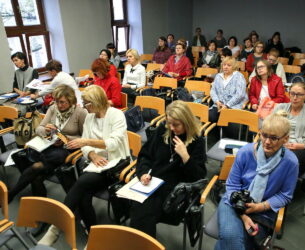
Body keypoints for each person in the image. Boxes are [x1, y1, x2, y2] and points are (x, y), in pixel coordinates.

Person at [38, 85, 130, 246]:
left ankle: (55, 228)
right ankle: (94, 235)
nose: (85, 106)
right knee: (83, 197)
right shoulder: (89, 117)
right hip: (96, 164)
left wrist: (86, 142)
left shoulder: (116, 115)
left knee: (80, 184)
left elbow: (113, 144)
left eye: (87, 103)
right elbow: (85, 147)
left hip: (116, 164)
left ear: (96, 101)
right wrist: (92, 154)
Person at [215, 113, 298, 250]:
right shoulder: (245, 152)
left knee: (234, 243)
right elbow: (232, 185)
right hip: (233, 202)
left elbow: (285, 195)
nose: (267, 142)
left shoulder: (291, 163)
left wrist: (260, 207)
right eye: (264, 135)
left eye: (274, 138)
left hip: (263, 210)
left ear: (285, 139)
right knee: (231, 237)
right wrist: (243, 215)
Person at [129, 100, 207, 238]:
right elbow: (145, 156)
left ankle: (144, 244)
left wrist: (185, 156)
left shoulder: (197, 141)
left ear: (186, 122)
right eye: (168, 123)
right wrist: (143, 173)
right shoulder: (162, 130)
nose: (171, 128)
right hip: (152, 183)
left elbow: (198, 177)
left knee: (142, 214)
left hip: (175, 191)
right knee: (139, 210)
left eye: (176, 125)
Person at [8, 85, 87, 203]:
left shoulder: (80, 113)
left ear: (71, 101)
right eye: (56, 101)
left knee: (36, 168)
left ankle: (11, 194)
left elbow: (85, 137)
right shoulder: (53, 109)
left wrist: (66, 138)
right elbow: (39, 128)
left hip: (68, 148)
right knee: (36, 177)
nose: (59, 105)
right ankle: (39, 209)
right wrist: (46, 130)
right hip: (50, 146)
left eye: (62, 102)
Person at [274, 82, 305, 176]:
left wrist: (300, 146)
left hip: (301, 149)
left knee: (289, 162)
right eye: (292, 93)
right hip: (279, 144)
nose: (295, 97)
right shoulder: (280, 107)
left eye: (299, 94)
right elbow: (269, 128)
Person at [209, 57, 247, 122]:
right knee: (209, 117)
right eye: (224, 65)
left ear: (234, 67)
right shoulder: (218, 76)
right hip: (219, 105)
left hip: (233, 106)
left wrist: (227, 105)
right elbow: (213, 91)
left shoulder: (239, 76)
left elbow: (240, 94)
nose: (225, 67)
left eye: (229, 65)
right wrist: (217, 101)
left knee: (227, 122)